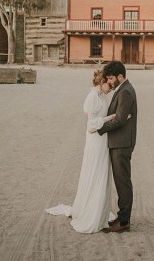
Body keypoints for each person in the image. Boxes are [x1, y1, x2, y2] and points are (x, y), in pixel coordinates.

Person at [45, 69, 118, 233]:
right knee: (95, 171)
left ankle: (99, 209)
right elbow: (91, 125)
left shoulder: (102, 96)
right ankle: (91, 211)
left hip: (102, 138)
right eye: (109, 83)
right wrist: (110, 118)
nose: (111, 86)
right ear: (101, 82)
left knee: (101, 172)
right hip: (95, 140)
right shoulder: (92, 97)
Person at [94, 60, 137, 233]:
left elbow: (119, 119)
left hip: (122, 143)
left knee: (123, 182)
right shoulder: (122, 89)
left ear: (121, 76)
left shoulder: (126, 91)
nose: (110, 82)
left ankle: (124, 221)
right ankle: (121, 217)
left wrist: (101, 129)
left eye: (111, 78)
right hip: (120, 141)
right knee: (121, 182)